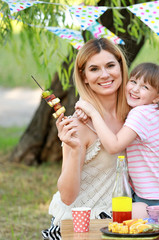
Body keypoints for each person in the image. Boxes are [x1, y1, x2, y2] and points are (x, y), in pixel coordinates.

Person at [42, 38, 146, 240]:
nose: (105, 75)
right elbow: (68, 196)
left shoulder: (134, 114)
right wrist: (72, 149)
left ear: (121, 67)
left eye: (110, 65)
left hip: (121, 216)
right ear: (85, 77)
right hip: (81, 222)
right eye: (94, 69)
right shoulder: (79, 125)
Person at [75, 62, 159, 207]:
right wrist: (84, 103)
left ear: (157, 97)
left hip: (155, 198)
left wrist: (92, 112)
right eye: (133, 81)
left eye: (145, 87)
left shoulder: (141, 114)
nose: (136, 89)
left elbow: (114, 146)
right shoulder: (152, 110)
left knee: (119, 222)